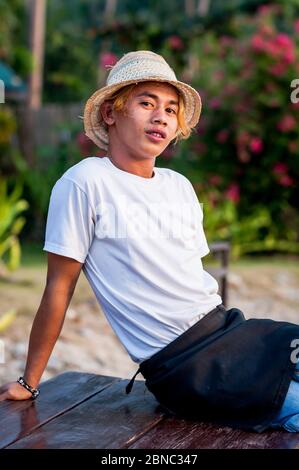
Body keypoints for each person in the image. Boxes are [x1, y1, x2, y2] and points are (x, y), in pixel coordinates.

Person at [0, 50, 298, 433]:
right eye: (146, 103)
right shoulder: (86, 182)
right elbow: (59, 287)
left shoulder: (179, 186)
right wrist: (29, 381)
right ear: (111, 113)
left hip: (228, 331)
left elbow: (190, 281)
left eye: (172, 110)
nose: (161, 116)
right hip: (183, 365)